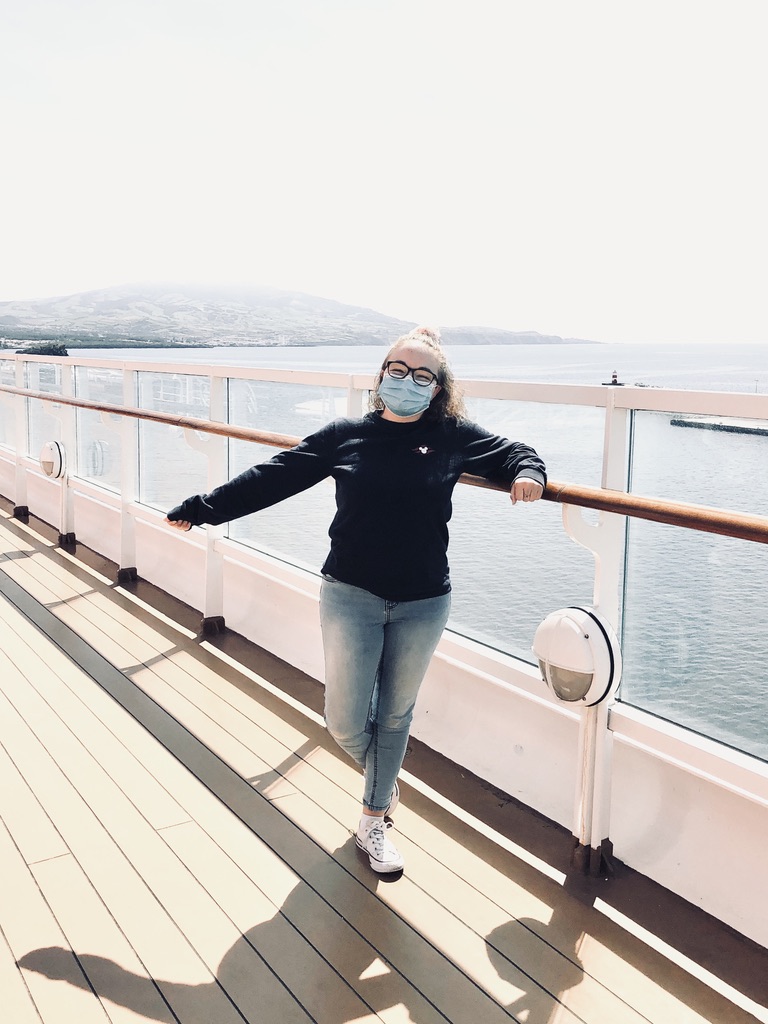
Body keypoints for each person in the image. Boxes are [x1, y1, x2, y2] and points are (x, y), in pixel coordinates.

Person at [165, 327, 546, 874]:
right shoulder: (345, 436)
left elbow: (516, 452)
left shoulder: (452, 437)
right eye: (397, 370)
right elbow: (271, 478)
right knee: (345, 721)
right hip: (351, 594)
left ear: (438, 389)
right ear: (380, 376)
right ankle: (385, 787)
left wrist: (528, 474)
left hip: (424, 601)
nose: (407, 382)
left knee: (394, 715)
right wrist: (203, 507)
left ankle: (373, 820)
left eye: (422, 376)